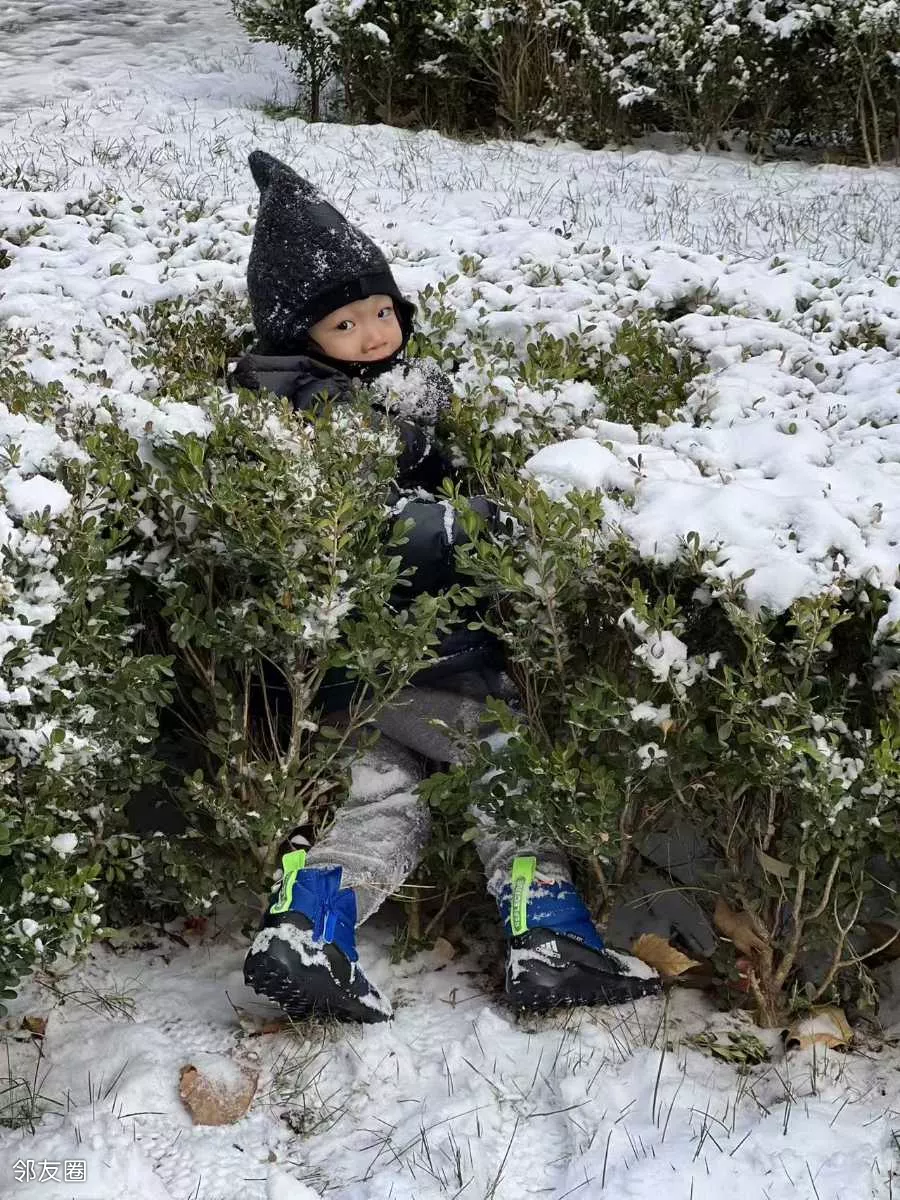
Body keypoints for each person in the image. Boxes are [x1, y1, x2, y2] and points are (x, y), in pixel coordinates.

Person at [232, 150, 661, 1023]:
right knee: (507, 772)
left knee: (384, 802)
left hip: (344, 680)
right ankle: (551, 939)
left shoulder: (331, 394)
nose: (374, 334)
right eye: (345, 323)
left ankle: (307, 932)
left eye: (381, 311)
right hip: (418, 660)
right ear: (297, 336)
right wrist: (487, 521)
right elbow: (398, 531)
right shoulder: (335, 414)